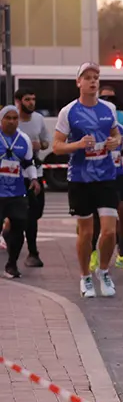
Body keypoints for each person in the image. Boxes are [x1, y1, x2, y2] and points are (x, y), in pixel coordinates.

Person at [53, 63, 123, 298]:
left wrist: (116, 141)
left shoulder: (108, 109)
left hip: (106, 176)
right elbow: (57, 146)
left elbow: (116, 134)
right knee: (85, 233)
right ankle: (85, 277)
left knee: (110, 232)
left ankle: (103, 271)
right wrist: (78, 145)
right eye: (88, 78)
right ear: (79, 82)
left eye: (96, 77)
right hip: (80, 178)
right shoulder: (68, 112)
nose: (93, 81)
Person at [93, 84, 123, 273]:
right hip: (99, 175)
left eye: (112, 100)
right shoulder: (92, 119)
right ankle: (93, 254)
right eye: (105, 99)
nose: (109, 103)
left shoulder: (121, 120)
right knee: (97, 218)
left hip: (119, 174)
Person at [0, 106, 40, 279]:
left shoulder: (24, 139)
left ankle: (12, 264)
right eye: (8, 118)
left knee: (19, 228)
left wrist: (34, 179)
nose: (12, 121)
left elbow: (28, 163)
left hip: (17, 192)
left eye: (15, 118)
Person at [14, 88, 48, 268]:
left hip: (36, 171)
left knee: (36, 212)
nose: (31, 103)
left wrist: (40, 144)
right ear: (18, 101)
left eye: (33, 99)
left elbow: (46, 141)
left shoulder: (39, 119)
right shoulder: (11, 119)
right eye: (27, 99)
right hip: (15, 175)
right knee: (27, 216)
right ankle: (32, 253)